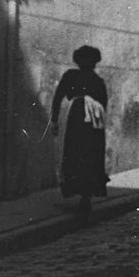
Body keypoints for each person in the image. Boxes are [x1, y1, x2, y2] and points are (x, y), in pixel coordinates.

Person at [51, 45, 109, 218]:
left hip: (75, 121)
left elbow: (58, 96)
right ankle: (86, 196)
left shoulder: (71, 76)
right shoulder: (97, 81)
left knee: (74, 155)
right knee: (89, 157)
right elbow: (104, 105)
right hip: (92, 125)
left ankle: (80, 193)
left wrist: (55, 119)